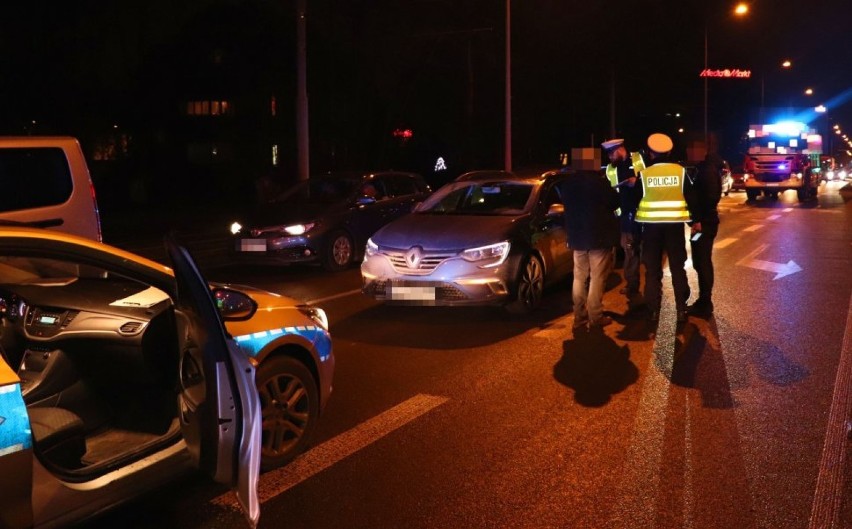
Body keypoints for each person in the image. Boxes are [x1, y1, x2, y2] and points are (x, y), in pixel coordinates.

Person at [635, 133, 692, 325]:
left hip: (651, 230)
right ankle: (681, 309)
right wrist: (695, 222)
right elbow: (691, 198)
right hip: (674, 228)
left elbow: (635, 200)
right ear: (668, 152)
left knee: (653, 270)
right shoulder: (680, 171)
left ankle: (653, 311)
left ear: (651, 153)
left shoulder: (644, 174)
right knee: (677, 267)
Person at [561, 169, 621, 330]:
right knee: (597, 277)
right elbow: (615, 202)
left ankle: (579, 316)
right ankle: (595, 316)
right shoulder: (599, 182)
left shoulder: (568, 184)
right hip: (598, 237)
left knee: (579, 278)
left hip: (577, 237)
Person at [601, 138, 645, 309]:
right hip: (625, 216)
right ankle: (632, 285)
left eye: (612, 153)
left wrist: (637, 181)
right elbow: (612, 192)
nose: (610, 157)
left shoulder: (637, 159)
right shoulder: (612, 169)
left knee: (645, 252)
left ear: (620, 149)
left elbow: (648, 179)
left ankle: (651, 287)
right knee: (630, 251)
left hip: (643, 213)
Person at [685, 151, 723, 317]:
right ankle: (704, 300)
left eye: (691, 150)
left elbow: (709, 197)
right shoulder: (705, 168)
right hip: (702, 223)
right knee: (700, 261)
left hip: (702, 225)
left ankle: (705, 302)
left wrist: (698, 220)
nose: (688, 153)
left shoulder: (706, 171)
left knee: (702, 260)